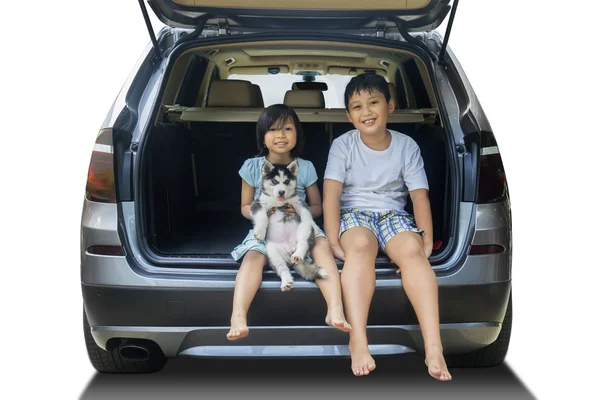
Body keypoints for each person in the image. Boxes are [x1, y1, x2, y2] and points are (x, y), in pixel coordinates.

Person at [322, 73, 452, 381]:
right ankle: (358, 340)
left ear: (390, 106)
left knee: (411, 251)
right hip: (355, 214)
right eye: (357, 106)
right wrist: (333, 241)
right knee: (360, 248)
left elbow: (420, 198)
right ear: (348, 115)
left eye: (373, 102)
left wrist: (425, 243)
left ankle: (434, 347)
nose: (366, 112)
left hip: (394, 215)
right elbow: (331, 196)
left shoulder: (407, 146)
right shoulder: (343, 145)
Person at [227, 104, 352, 340]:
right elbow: (245, 207)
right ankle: (238, 316)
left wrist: (298, 209)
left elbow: (317, 206)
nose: (281, 135)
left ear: (297, 134)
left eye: (287, 128)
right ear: (263, 137)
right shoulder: (252, 167)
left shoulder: (304, 168)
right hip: (267, 227)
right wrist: (263, 212)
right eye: (273, 129)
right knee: (253, 257)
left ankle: (335, 309)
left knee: (322, 247)